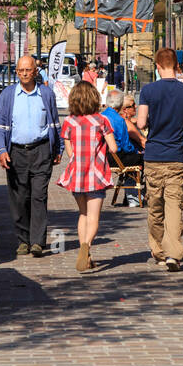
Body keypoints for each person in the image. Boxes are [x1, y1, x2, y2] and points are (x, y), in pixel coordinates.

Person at [137, 47, 183, 271]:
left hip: (154, 156)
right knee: (174, 205)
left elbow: (142, 123)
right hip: (176, 157)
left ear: (157, 66)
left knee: (155, 206)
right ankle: (174, 252)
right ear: (177, 66)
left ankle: (158, 250)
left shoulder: (148, 91)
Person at [0, 54, 62, 258]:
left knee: (39, 196)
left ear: (35, 71)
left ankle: (37, 242)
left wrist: (58, 149)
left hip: (41, 151)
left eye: (28, 70)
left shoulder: (46, 94)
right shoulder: (8, 95)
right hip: (16, 152)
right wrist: (1, 150)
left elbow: (55, 124)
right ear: (17, 72)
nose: (24, 74)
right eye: (21, 70)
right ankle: (22, 240)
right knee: (19, 198)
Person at [57, 80, 118, 272]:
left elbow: (69, 152)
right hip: (96, 174)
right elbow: (114, 148)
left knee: (82, 214)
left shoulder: (69, 122)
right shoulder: (101, 121)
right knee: (94, 217)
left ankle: (86, 254)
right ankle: (86, 246)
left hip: (77, 175)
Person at [102, 89, 145, 206]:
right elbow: (126, 146)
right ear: (121, 105)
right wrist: (137, 151)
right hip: (119, 158)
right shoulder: (119, 120)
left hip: (104, 158)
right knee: (144, 158)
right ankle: (137, 196)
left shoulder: (100, 116)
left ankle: (132, 196)